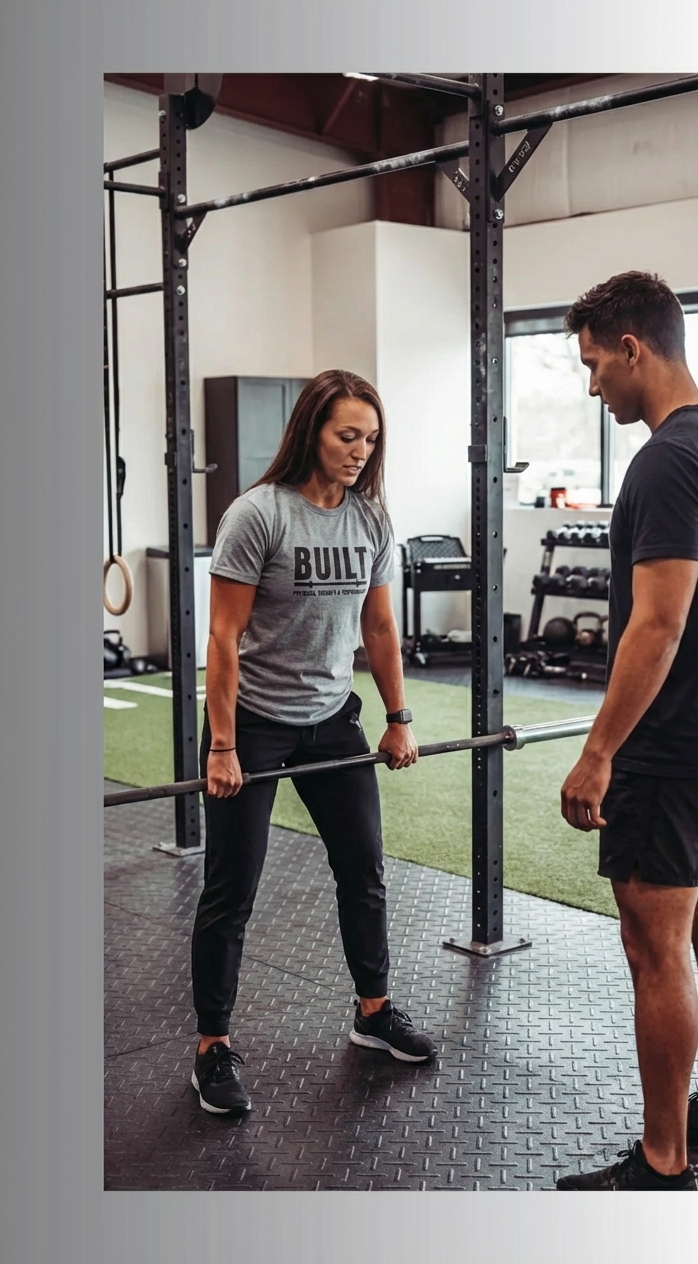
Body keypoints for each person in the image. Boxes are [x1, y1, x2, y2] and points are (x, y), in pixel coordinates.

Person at [554, 272, 698, 1190]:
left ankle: (663, 1161)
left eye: (596, 363)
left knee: (656, 948)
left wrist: (598, 753)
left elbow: (658, 622)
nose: (593, 385)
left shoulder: (667, 460)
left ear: (634, 347)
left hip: (672, 751)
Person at [189, 368, 436, 1115]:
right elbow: (224, 638)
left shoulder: (370, 521)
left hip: (333, 718)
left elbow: (379, 626)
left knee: (363, 869)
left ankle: (373, 1011)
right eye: (346, 435)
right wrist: (224, 745)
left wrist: (398, 717)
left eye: (370, 437)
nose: (360, 449)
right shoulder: (258, 515)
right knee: (233, 888)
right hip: (255, 722)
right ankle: (212, 1046)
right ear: (311, 433)